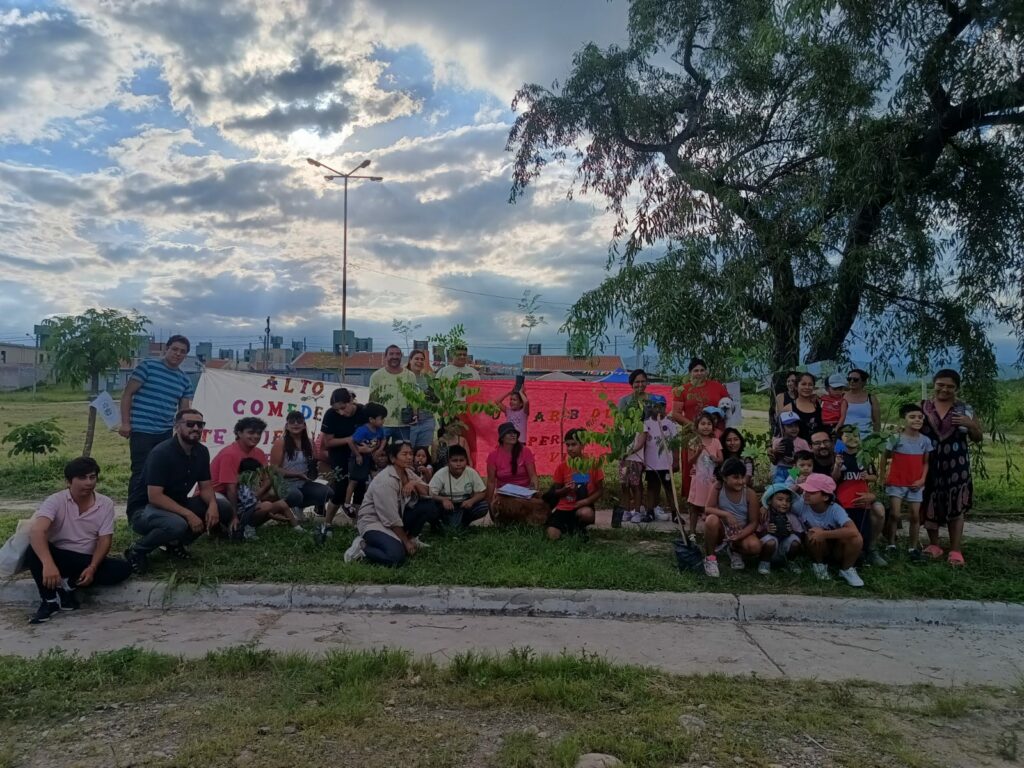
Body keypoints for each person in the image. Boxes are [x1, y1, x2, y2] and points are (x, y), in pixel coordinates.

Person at [25, 457, 133, 624]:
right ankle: (49, 601)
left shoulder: (105, 504)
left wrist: (92, 567)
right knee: (33, 549)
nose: (88, 482)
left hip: (84, 559)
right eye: (82, 478)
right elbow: (37, 530)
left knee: (123, 568)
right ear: (69, 481)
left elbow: (104, 540)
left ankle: (67, 585)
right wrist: (48, 564)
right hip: (59, 556)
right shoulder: (56, 500)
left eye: (92, 477)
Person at [124, 409, 232, 573]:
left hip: (176, 505)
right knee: (177, 524)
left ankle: (174, 543)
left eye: (200, 425)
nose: (196, 428)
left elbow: (205, 487)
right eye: (190, 424)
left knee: (223, 507)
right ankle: (137, 550)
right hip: (144, 510)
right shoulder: (161, 453)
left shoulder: (202, 452)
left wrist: (212, 505)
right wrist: (189, 514)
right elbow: (155, 497)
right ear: (176, 426)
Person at [119, 335, 194, 516]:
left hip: (165, 432)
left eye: (182, 352)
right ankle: (134, 514)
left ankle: (156, 511)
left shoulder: (185, 380)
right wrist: (125, 423)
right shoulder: (147, 367)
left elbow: (184, 412)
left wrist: (183, 434)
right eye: (174, 349)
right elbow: (127, 394)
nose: (178, 354)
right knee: (140, 471)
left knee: (160, 473)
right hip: (142, 429)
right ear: (166, 349)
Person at [919, 369, 982, 566]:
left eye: (950, 386)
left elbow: (978, 437)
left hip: (957, 465)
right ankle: (934, 545)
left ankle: (955, 550)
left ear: (956, 388)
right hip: (929, 463)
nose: (944, 389)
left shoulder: (964, 409)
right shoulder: (922, 407)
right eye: (941, 385)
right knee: (930, 501)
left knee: (956, 505)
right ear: (934, 384)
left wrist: (970, 425)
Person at [345, 441, 441, 566]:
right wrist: (405, 543)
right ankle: (362, 547)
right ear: (392, 458)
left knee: (428, 505)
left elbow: (429, 492)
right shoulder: (386, 481)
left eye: (411, 454)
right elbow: (391, 518)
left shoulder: (408, 472)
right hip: (374, 522)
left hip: (396, 518)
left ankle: (411, 538)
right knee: (396, 556)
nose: (409, 457)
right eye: (404, 454)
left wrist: (414, 483)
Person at [880, 402, 935, 560]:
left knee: (915, 516)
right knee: (894, 514)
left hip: (915, 484)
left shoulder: (925, 441)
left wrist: (922, 480)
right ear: (904, 419)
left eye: (920, 417)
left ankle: (913, 547)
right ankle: (891, 544)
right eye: (912, 417)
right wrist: (883, 476)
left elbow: (926, 463)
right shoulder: (896, 438)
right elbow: (884, 456)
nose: (917, 420)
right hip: (896, 482)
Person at [792, 473, 864, 586]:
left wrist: (824, 534)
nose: (806, 494)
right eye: (806, 490)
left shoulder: (835, 509)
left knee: (856, 538)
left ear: (825, 497)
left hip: (836, 550)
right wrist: (766, 507)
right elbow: (781, 506)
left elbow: (853, 530)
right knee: (813, 532)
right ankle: (819, 564)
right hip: (815, 548)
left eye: (812, 492)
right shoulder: (801, 504)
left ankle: (847, 569)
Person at [671, 358, 729, 497]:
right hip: (692, 434)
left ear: (706, 371)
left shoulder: (718, 387)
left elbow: (728, 407)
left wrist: (718, 429)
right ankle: (692, 497)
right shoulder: (682, 390)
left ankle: (714, 497)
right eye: (695, 370)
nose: (699, 373)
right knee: (692, 465)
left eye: (702, 370)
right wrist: (695, 427)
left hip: (715, 434)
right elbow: (675, 414)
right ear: (690, 372)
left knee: (714, 463)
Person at [701, 458, 761, 577]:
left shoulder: (749, 494)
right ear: (724, 477)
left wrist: (740, 535)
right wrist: (727, 514)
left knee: (755, 547)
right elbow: (707, 509)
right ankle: (710, 558)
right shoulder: (718, 487)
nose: (740, 481)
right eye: (735, 477)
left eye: (742, 477)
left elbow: (754, 523)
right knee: (711, 519)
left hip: (741, 530)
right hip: (723, 529)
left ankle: (734, 549)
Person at [835, 428, 886, 566]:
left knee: (864, 527)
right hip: (844, 501)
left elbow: (874, 476)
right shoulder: (838, 456)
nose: (852, 438)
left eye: (856, 435)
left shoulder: (864, 456)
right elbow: (833, 479)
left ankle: (869, 550)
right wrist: (837, 466)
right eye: (847, 436)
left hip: (863, 501)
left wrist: (868, 477)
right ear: (841, 439)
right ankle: (851, 555)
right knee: (849, 527)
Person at [269, 412, 331, 524]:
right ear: (287, 426)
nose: (296, 424)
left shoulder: (310, 442)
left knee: (327, 492)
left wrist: (320, 470)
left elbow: (315, 464)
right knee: (295, 495)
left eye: (299, 421)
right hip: (284, 482)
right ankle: (284, 510)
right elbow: (274, 469)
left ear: (304, 425)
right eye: (292, 421)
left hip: (303, 482)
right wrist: (296, 474)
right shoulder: (280, 443)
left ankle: (299, 507)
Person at [210, 417, 269, 532]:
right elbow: (230, 488)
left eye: (259, 433)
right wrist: (234, 516)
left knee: (280, 494)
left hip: (243, 493)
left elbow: (268, 478)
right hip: (218, 493)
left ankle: (244, 525)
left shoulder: (259, 452)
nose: (256, 436)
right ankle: (228, 525)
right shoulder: (229, 454)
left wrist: (257, 494)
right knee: (224, 506)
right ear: (239, 433)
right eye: (251, 432)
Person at [320, 388, 366, 529]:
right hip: (339, 453)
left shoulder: (362, 411)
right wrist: (348, 440)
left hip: (359, 453)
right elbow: (328, 442)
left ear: (351, 401)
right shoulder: (330, 415)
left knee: (360, 486)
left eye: (343, 408)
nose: (340, 412)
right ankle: (327, 523)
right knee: (340, 489)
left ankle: (357, 524)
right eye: (337, 410)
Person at [546, 429, 603, 540]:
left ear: (582, 445)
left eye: (573, 444)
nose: (570, 448)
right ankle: (570, 529)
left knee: (587, 514)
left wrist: (586, 501)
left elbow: (600, 490)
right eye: (567, 445)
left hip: (582, 506)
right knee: (552, 535)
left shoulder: (593, 464)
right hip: (564, 507)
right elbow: (554, 492)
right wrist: (565, 490)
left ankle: (578, 528)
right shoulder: (562, 466)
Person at [486, 422, 547, 526]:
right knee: (502, 505)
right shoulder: (493, 456)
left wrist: (533, 492)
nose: (513, 435)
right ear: (502, 438)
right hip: (505, 495)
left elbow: (533, 476)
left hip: (525, 492)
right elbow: (491, 481)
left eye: (514, 433)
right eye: (509, 433)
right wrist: (488, 501)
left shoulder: (525, 451)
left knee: (537, 505)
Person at [235, 457, 304, 536]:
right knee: (266, 505)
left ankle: (297, 528)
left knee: (281, 503)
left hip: (256, 511)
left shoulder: (254, 484)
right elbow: (250, 506)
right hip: (243, 516)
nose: (260, 476)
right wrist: (270, 515)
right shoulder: (243, 486)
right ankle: (248, 529)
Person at [428, 445, 489, 528]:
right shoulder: (440, 474)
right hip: (447, 506)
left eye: (462, 460)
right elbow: (430, 493)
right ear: (448, 462)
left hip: (464, 505)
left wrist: (471, 501)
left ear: (466, 461)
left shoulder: (471, 472)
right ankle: (440, 523)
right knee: (430, 506)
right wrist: (443, 499)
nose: (458, 464)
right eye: (454, 461)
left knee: (483, 506)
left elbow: (482, 492)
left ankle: (463, 522)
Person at [346, 403, 387, 514]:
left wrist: (379, 450)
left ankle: (377, 502)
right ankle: (347, 503)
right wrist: (358, 455)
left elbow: (384, 439)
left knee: (375, 477)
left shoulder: (379, 429)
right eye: (381, 418)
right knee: (353, 481)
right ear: (371, 419)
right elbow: (351, 441)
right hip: (360, 457)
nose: (383, 421)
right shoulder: (363, 430)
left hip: (370, 456)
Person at [369, 345, 416, 442]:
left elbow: (414, 399)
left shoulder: (410, 375)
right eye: (391, 354)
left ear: (401, 356)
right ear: (385, 356)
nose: (395, 356)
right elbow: (372, 401)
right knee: (379, 449)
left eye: (398, 354)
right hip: (383, 424)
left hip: (404, 424)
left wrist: (415, 415)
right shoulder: (376, 376)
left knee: (403, 450)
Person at [686, 412, 722, 539]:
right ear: (697, 426)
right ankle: (692, 532)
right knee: (694, 506)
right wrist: (698, 452)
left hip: (711, 481)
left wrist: (716, 459)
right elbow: (690, 461)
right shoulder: (694, 442)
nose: (706, 426)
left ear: (713, 426)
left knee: (710, 505)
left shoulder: (716, 442)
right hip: (698, 480)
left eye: (709, 424)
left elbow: (721, 459)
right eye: (702, 424)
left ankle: (710, 532)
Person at [643, 397, 679, 521]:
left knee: (669, 488)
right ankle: (650, 512)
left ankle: (675, 514)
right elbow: (643, 443)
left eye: (662, 406)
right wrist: (643, 461)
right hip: (651, 463)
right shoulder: (646, 423)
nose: (659, 409)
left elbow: (675, 444)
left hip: (666, 463)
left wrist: (676, 461)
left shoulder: (669, 423)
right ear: (651, 408)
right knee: (652, 487)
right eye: (656, 407)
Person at [757, 484, 803, 575]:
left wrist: (791, 531)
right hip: (769, 550)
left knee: (795, 542)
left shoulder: (791, 517)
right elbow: (756, 532)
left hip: (783, 550)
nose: (784, 503)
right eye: (780, 499)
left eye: (788, 500)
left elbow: (801, 534)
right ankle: (764, 562)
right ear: (770, 501)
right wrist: (766, 530)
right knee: (770, 541)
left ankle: (790, 562)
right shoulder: (765, 516)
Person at [406, 349, 437, 450]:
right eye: (416, 359)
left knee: (422, 452)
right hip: (410, 423)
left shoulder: (428, 378)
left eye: (422, 359)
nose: (419, 361)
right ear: (410, 360)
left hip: (427, 420)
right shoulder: (403, 377)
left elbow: (434, 400)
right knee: (408, 451)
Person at [837, 368, 880, 438]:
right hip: (844, 437)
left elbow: (877, 422)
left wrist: (876, 438)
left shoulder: (871, 398)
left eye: (855, 379)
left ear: (863, 382)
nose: (852, 381)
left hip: (865, 438)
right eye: (849, 379)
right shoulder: (841, 396)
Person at [781, 372, 824, 441]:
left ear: (813, 387)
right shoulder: (788, 409)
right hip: (799, 447)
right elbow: (779, 433)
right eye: (803, 384)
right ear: (796, 386)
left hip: (821, 446)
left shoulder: (820, 403)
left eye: (810, 385)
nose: (807, 387)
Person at [769, 412, 811, 483]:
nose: (794, 429)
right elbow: (774, 462)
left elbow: (808, 458)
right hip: (780, 468)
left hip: (795, 469)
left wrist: (795, 459)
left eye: (796, 426)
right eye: (789, 426)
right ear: (782, 428)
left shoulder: (803, 442)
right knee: (779, 486)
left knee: (791, 484)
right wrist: (775, 452)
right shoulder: (777, 442)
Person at [771, 371, 799, 436]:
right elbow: (780, 416)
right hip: (784, 432)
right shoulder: (781, 397)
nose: (790, 383)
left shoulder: (803, 397)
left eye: (793, 381)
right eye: (788, 381)